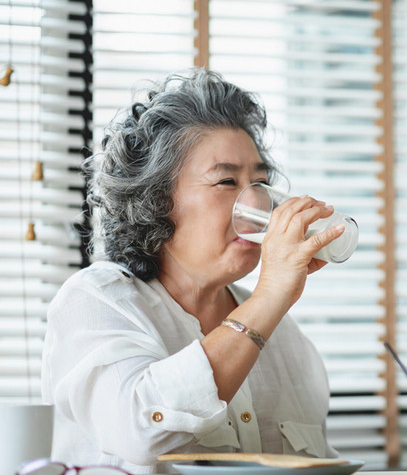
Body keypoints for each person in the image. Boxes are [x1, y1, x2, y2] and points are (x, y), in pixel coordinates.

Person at [41, 69, 343, 473]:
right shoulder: (97, 301)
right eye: (225, 181)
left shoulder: (285, 336)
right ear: (155, 199)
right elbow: (140, 430)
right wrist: (272, 295)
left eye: (260, 182)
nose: (256, 203)